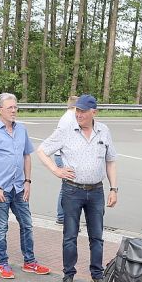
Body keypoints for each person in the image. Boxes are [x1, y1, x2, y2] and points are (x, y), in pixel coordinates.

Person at [36, 94, 119, 282]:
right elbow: (42, 150)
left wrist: (114, 188)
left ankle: (97, 275)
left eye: (83, 111)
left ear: (94, 112)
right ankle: (68, 274)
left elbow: (111, 161)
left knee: (97, 236)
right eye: (77, 110)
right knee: (70, 235)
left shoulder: (103, 131)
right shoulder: (66, 130)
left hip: (96, 191)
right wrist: (56, 171)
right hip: (72, 190)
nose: (79, 114)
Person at [0, 93, 51, 279]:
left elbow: (27, 156)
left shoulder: (22, 130)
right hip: (0, 190)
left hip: (19, 188)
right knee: (1, 227)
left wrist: (28, 182)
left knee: (27, 224)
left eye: (15, 107)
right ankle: (2, 263)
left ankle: (30, 262)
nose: (14, 110)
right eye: (10, 107)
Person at [53, 96, 79, 224]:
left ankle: (62, 215)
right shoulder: (70, 118)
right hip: (63, 156)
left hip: (60, 154)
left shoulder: (67, 116)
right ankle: (63, 216)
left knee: (66, 186)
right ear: (75, 106)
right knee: (68, 187)